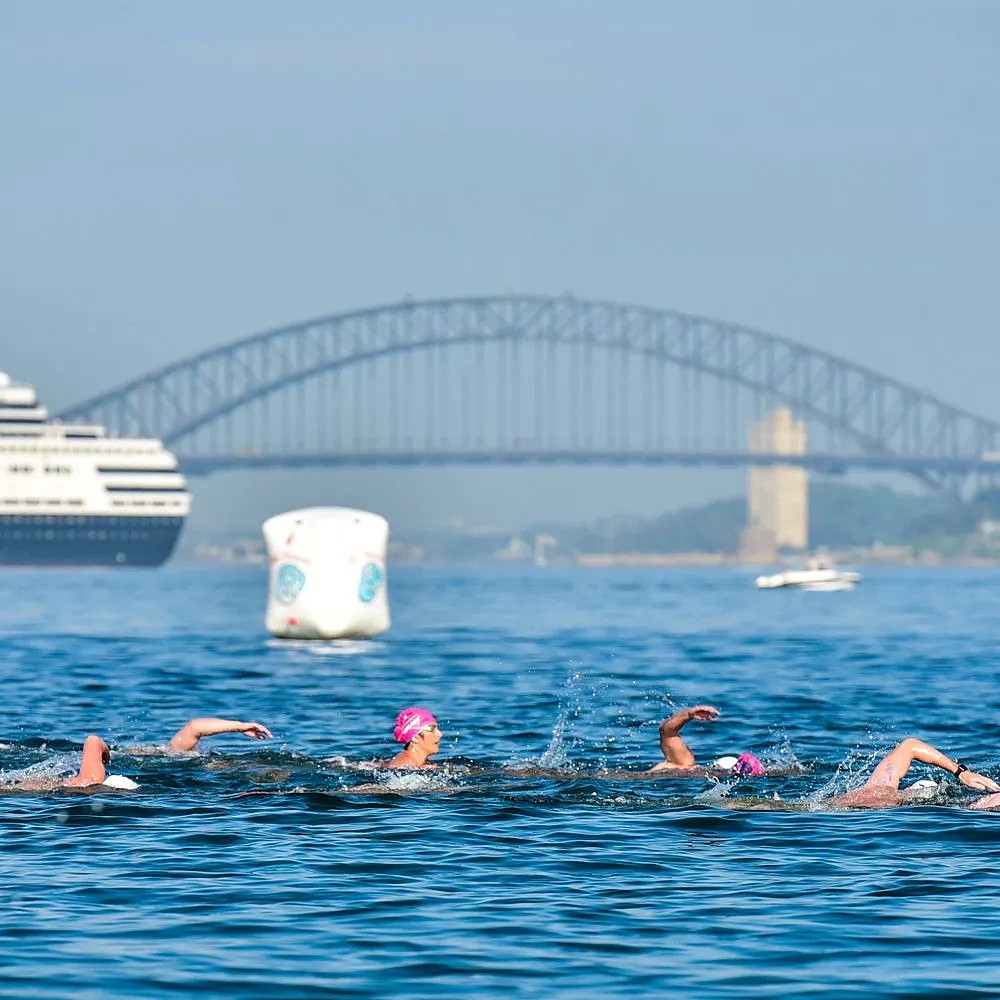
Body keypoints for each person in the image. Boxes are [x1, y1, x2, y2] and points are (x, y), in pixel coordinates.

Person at [832, 737, 1000, 809]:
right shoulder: (883, 798)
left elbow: (909, 745)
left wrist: (961, 772)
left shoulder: (879, 785)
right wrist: (962, 773)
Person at [648, 704, 764, 776]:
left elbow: (667, 732)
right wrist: (689, 714)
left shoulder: (683, 763)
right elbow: (667, 731)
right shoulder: (684, 764)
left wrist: (688, 715)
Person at [168, 717, 273, 752]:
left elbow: (194, 728)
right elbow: (194, 728)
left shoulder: (171, 753)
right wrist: (239, 726)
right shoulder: (173, 754)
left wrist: (239, 727)